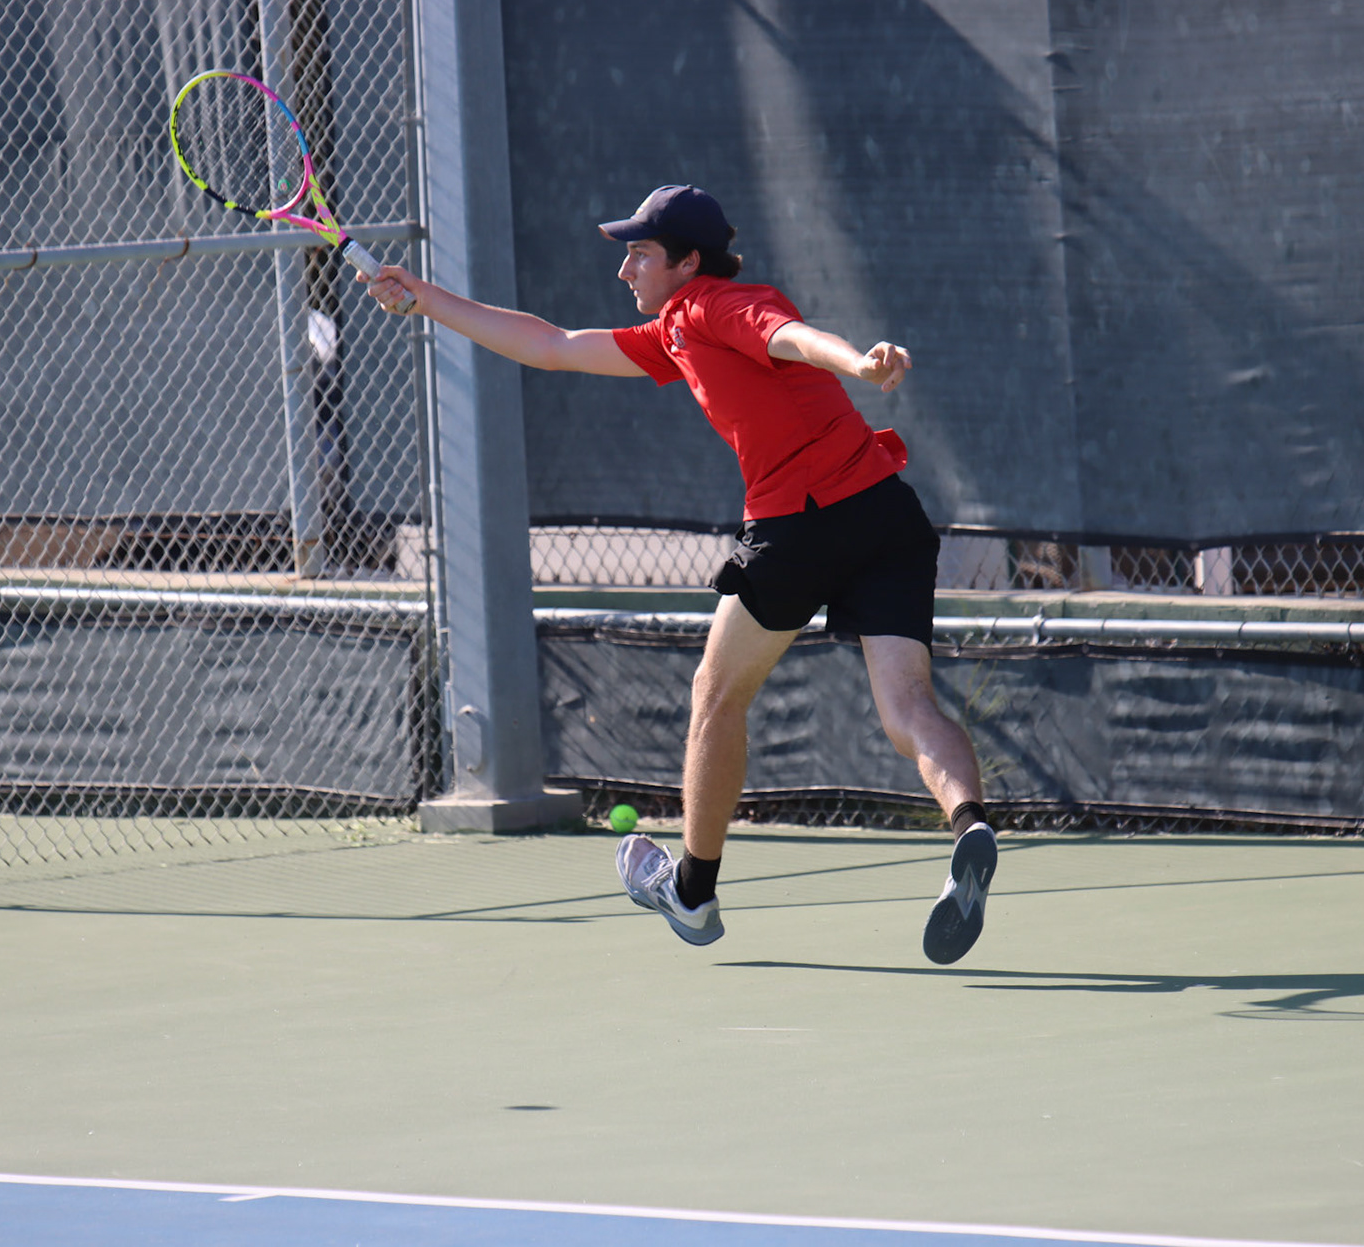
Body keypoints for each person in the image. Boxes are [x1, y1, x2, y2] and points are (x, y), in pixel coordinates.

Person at [363, 184, 996, 964]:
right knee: (908, 708)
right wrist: (425, 298)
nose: (625, 268)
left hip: (799, 524)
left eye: (641, 253)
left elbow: (792, 336)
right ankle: (970, 828)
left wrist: (859, 363)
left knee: (717, 694)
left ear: (689, 262)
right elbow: (553, 343)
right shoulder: (673, 331)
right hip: (884, 512)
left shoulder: (714, 307)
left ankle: (692, 893)